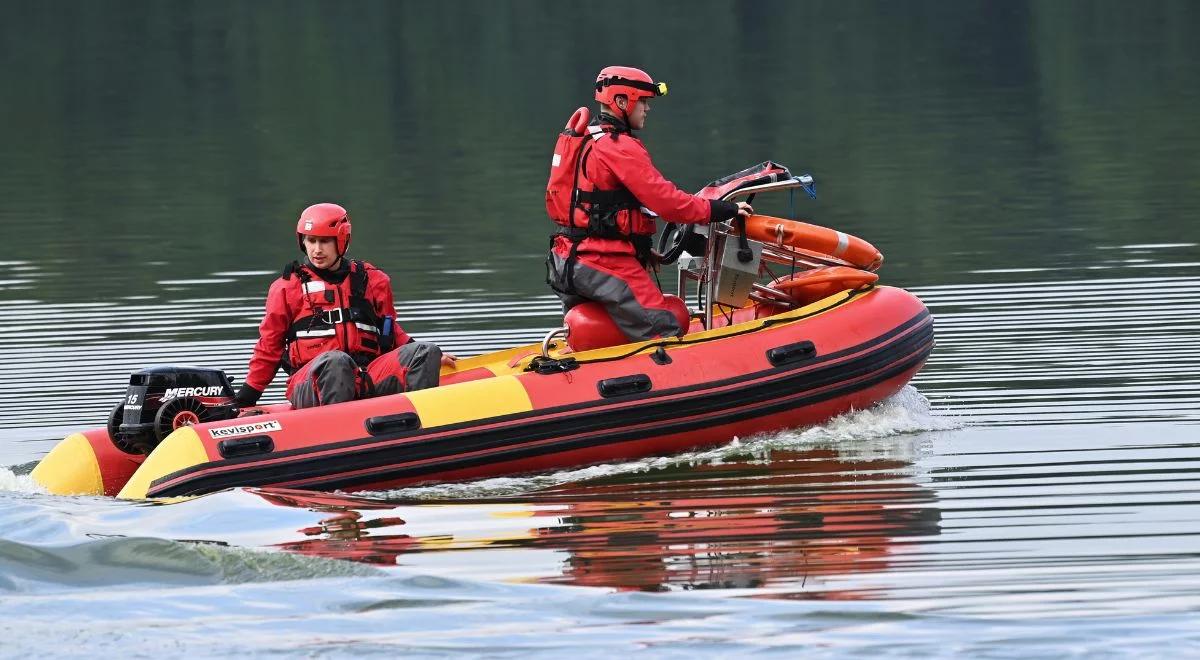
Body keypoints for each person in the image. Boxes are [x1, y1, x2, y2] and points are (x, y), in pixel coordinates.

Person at [546, 65, 754, 341]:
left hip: (567, 261)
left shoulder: (585, 139)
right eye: (642, 101)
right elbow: (668, 203)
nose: (647, 108)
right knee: (665, 326)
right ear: (622, 102)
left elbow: (598, 212)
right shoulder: (619, 146)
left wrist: (641, 249)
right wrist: (723, 209)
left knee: (597, 339)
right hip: (603, 263)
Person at [233, 203, 455, 410]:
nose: (317, 250)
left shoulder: (373, 280)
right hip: (312, 380)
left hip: (366, 375)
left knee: (427, 350)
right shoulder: (286, 288)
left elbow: (390, 330)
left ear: (341, 240)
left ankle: (422, 428)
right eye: (311, 241)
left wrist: (430, 356)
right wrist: (246, 398)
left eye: (324, 241)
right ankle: (340, 436)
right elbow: (269, 347)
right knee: (336, 362)